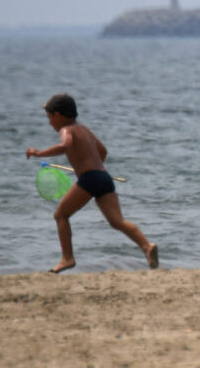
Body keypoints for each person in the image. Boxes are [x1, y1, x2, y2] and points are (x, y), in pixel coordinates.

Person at [25, 93, 158, 273]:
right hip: (104, 177)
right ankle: (147, 246)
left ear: (58, 115)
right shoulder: (84, 129)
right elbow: (103, 151)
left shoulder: (67, 130)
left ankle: (67, 258)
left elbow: (65, 146)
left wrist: (39, 153)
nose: (49, 123)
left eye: (49, 118)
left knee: (60, 215)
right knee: (117, 221)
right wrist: (92, 165)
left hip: (91, 179)